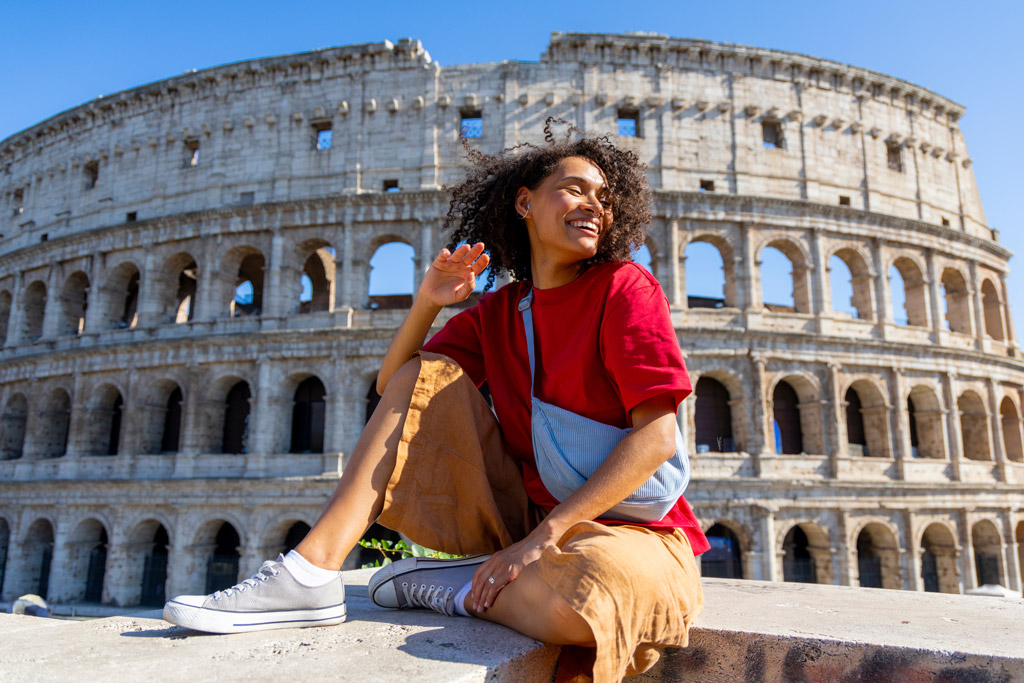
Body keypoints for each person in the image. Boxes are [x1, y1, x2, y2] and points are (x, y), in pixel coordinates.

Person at [164, 120, 708, 681]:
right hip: (526, 515)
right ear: (524, 202)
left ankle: (455, 588)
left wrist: (541, 541)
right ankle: (311, 572)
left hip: (639, 531)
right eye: (575, 189)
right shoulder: (500, 313)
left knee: (588, 601)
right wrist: (427, 302)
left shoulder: (625, 286)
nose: (594, 205)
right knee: (428, 373)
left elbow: (657, 437)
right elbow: (398, 386)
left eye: (605, 198)